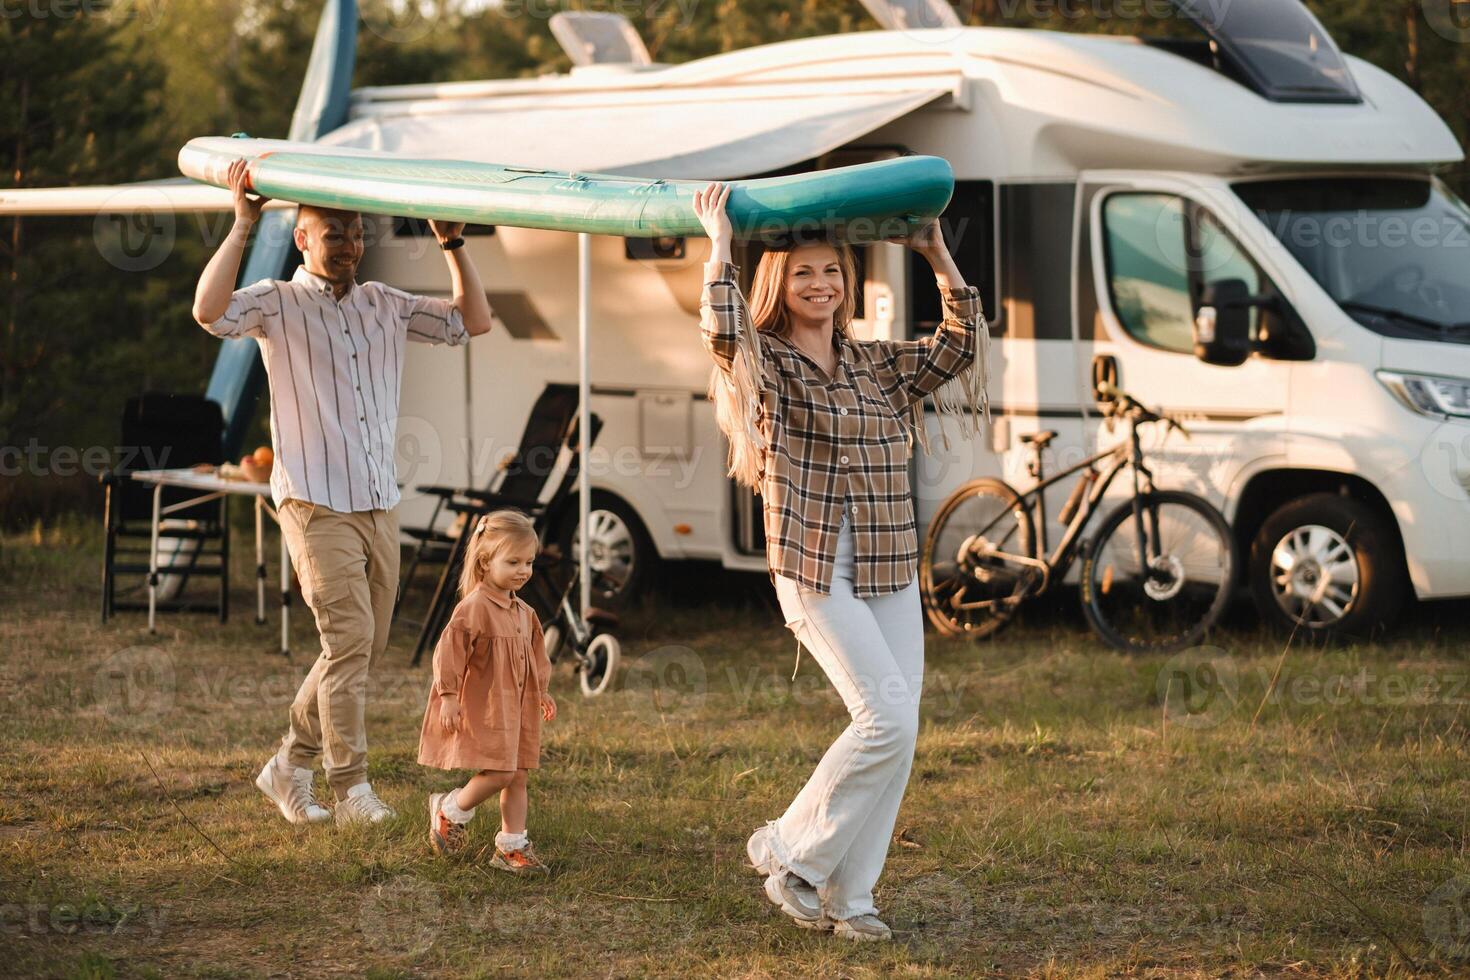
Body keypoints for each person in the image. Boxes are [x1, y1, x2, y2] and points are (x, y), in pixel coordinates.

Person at [691, 182, 990, 941]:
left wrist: (934, 254)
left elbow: (960, 345)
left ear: (847, 285)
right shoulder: (771, 364)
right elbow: (723, 335)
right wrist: (720, 245)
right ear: (778, 286)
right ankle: (790, 854)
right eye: (803, 274)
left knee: (902, 729)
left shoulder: (877, 366)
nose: (820, 284)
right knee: (882, 718)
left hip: (890, 564)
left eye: (831, 272)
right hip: (817, 568)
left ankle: (851, 900)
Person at [193, 159, 497, 825]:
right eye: (335, 233)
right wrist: (244, 224)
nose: (351, 244)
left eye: (357, 233)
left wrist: (452, 243)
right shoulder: (276, 300)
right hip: (312, 501)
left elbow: (472, 321)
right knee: (350, 637)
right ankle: (350, 786)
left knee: (357, 647)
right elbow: (208, 311)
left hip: (378, 502)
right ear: (302, 238)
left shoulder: (383, 304)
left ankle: (286, 766)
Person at [418, 510, 556, 874]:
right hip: (490, 705)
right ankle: (450, 810)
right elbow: (450, 651)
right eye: (512, 561)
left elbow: (535, 654)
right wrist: (448, 695)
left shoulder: (524, 612)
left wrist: (541, 690)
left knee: (519, 773)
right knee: (500, 773)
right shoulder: (474, 608)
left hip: (519, 707)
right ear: (485, 560)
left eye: (528, 562)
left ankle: (511, 846)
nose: (523, 570)